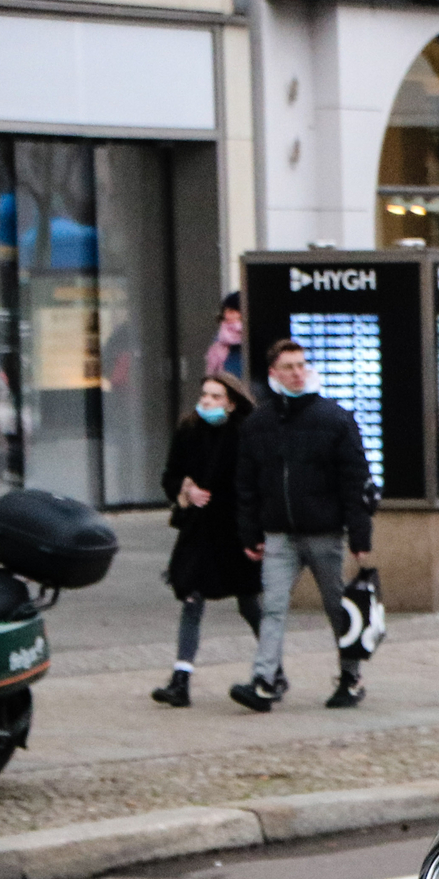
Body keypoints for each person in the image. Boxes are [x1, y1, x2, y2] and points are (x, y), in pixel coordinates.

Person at [231, 338, 374, 713]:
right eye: (288, 367)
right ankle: (264, 680)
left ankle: (350, 676)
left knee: (336, 607)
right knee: (274, 607)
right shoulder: (259, 423)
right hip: (279, 533)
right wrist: (249, 532)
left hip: (324, 531)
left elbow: (354, 479)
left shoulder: (333, 418)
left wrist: (360, 535)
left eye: (301, 365)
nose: (297, 373)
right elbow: (246, 483)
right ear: (274, 373)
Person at [149, 372, 260, 707]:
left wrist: (254, 532)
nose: (207, 401)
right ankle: (180, 679)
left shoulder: (244, 433)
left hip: (234, 530)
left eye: (215, 396)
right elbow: (170, 476)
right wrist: (186, 488)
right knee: (192, 597)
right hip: (198, 530)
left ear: (231, 402)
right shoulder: (189, 430)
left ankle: (273, 668)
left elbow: (252, 485)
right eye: (204, 395)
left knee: (249, 602)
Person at [203, 292, 244, 381]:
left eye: (232, 312)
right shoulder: (221, 337)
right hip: (226, 382)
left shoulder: (249, 336)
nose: (227, 316)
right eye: (225, 311)